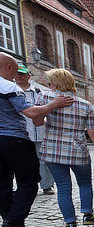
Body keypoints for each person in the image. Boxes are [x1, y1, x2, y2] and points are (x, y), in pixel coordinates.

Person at [0, 53, 73, 227]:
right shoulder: (9, 87)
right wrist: (54, 104)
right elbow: (31, 112)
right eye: (15, 71)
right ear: (8, 67)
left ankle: (13, 224)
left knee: (2, 184)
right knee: (30, 180)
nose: (15, 76)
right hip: (14, 139)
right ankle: (14, 219)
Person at [35, 69, 94, 227]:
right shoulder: (86, 104)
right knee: (85, 183)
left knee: (63, 186)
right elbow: (93, 130)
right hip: (77, 149)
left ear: (54, 83)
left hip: (53, 149)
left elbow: (37, 122)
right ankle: (88, 215)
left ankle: (70, 222)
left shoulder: (44, 98)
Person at [15, 63, 55, 195]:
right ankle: (26, 186)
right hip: (21, 133)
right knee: (23, 161)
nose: (19, 76)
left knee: (44, 160)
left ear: (28, 76)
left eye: (22, 73)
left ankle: (47, 185)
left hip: (40, 132)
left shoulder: (39, 92)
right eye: (17, 73)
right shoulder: (12, 91)